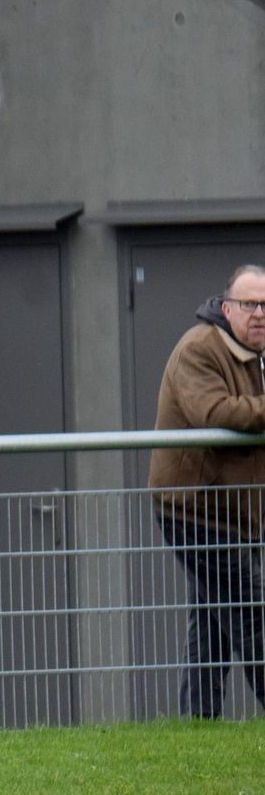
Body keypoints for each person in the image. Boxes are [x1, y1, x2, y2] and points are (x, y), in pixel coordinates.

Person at [149, 264, 265, 719]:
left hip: (240, 512)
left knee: (213, 619)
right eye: (249, 304)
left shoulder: (257, 353)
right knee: (253, 612)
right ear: (226, 307)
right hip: (195, 510)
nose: (259, 314)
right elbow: (214, 413)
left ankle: (199, 719)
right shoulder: (199, 349)